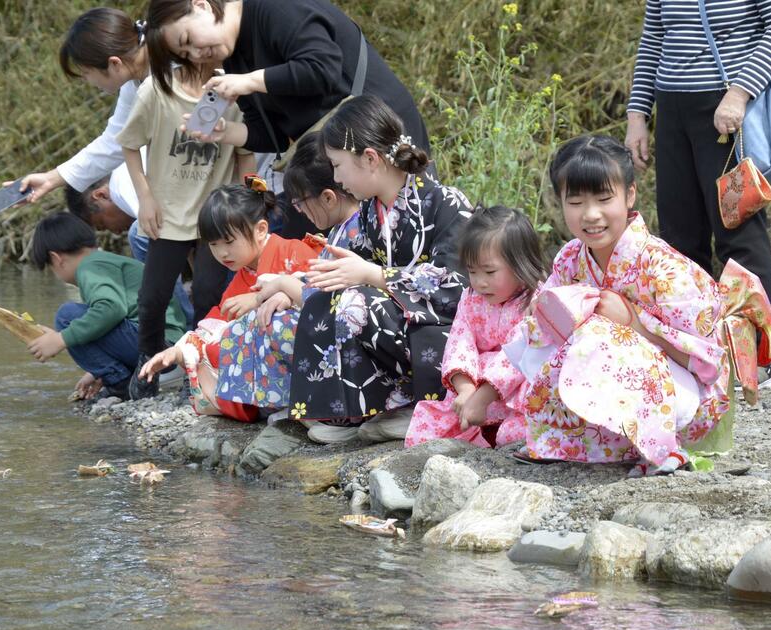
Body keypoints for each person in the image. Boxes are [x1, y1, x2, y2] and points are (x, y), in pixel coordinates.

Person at [511, 135, 732, 476]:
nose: (591, 214)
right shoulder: (571, 258)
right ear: (560, 201)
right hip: (619, 385)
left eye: (603, 198)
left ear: (630, 195)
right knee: (531, 331)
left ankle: (662, 448)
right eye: (576, 202)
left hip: (687, 399)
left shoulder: (664, 267)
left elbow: (707, 365)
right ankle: (584, 440)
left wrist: (633, 323)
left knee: (598, 334)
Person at [143, 0, 431, 238]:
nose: (197, 54)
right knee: (308, 248)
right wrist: (226, 132)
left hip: (379, 136)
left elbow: (322, 67)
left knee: (410, 234)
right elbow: (277, 136)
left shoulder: (274, 9)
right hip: (333, 159)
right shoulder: (234, 61)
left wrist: (251, 81)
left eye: (188, 39)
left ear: (201, 5)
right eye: (186, 54)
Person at [625, 0, 771, 386]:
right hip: (672, 110)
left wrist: (740, 93)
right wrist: (638, 115)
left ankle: (753, 357)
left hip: (728, 111)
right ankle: (694, 352)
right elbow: (654, 37)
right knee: (679, 240)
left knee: (739, 236)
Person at [284, 95, 472, 444]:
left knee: (359, 301)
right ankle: (352, 409)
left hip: (448, 333)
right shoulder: (371, 214)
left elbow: (459, 287)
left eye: (338, 165)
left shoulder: (446, 202)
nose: (337, 178)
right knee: (325, 301)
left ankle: (422, 405)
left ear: (370, 159)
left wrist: (375, 276)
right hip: (400, 324)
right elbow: (348, 271)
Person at [115, 59, 253, 400]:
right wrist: (145, 197)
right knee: (152, 299)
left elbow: (246, 154)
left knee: (209, 294)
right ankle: (147, 366)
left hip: (214, 217)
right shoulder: (157, 90)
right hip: (168, 213)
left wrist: (249, 202)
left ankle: (202, 367)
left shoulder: (234, 91)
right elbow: (130, 144)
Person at [214, 134, 364, 437]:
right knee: (248, 325)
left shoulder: (357, 228)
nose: (298, 211)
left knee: (273, 322)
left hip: (351, 324)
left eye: (299, 202)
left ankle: (324, 409)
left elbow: (342, 295)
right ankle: (290, 404)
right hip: (329, 311)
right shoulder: (339, 232)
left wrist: (285, 285)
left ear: (328, 197)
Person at [138, 179, 321, 421]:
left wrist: (259, 300)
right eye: (213, 244)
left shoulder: (294, 251)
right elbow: (217, 321)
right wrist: (178, 352)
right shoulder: (244, 274)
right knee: (215, 345)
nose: (222, 253)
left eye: (229, 242)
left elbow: (320, 298)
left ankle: (295, 401)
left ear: (261, 230)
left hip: (314, 360)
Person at [404, 206, 546, 450]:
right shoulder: (470, 299)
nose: (480, 282)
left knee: (517, 434)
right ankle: (482, 432)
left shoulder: (537, 299)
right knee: (429, 433)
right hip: (474, 388)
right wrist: (465, 388)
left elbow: (518, 353)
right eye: (472, 271)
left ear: (521, 264)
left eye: (490, 271)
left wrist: (483, 397)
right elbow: (460, 341)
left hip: (516, 390)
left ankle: (496, 434)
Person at [26, 212, 185, 401]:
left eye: (50, 267)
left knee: (67, 316)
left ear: (56, 258)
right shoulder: (103, 261)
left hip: (161, 349)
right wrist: (96, 372)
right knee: (83, 320)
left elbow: (111, 308)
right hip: (169, 346)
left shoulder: (89, 267)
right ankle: (118, 377)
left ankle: (121, 383)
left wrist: (60, 339)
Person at [14, 8, 150, 204]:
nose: (87, 81)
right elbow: (115, 142)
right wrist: (51, 179)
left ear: (114, 63)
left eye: (86, 72)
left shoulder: (176, 66)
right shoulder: (134, 83)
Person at [65, 160, 195, 327]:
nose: (116, 232)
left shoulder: (123, 188)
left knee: (140, 233)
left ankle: (184, 323)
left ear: (100, 195)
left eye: (103, 224)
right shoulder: (125, 170)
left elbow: (165, 236)